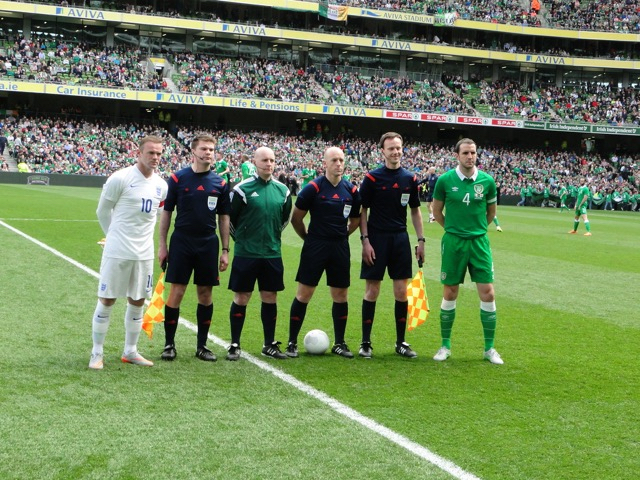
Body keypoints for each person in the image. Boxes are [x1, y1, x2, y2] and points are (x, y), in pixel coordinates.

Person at [89, 135, 168, 369]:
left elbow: (157, 215)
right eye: (151, 153)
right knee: (107, 299)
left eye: (159, 154)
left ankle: (130, 351)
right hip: (118, 251)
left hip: (144, 253)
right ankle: (96, 353)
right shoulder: (120, 178)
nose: (155, 158)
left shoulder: (161, 185)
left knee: (138, 300)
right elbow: (103, 212)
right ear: (139, 153)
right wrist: (112, 236)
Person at [158, 133, 231, 362]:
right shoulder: (178, 179)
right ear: (193, 151)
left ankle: (202, 346)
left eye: (211, 149)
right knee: (177, 291)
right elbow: (167, 213)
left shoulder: (220, 183)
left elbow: (224, 218)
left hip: (208, 243)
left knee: (205, 293)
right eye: (204, 149)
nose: (208, 152)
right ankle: (169, 344)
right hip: (182, 241)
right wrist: (162, 245)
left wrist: (225, 250)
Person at [431, 138, 503, 365]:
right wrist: (454, 230)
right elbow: (436, 211)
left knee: (488, 292)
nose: (470, 156)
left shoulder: (488, 181)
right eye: (465, 153)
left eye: (473, 153)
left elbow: (491, 213)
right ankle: (445, 345)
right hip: (453, 242)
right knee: (450, 292)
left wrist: (476, 230)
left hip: (479, 242)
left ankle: (489, 348)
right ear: (457, 155)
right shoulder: (444, 180)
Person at [285, 147, 362, 359]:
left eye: (341, 160)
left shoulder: (352, 190)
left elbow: (356, 219)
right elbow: (296, 218)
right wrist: (308, 239)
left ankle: (339, 343)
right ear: (325, 163)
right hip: (315, 245)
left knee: (341, 295)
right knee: (304, 294)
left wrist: (344, 233)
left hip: (339, 246)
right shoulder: (313, 188)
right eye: (334, 160)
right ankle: (291, 342)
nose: (339, 164)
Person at [358, 132, 425, 359]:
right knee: (372, 290)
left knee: (401, 292)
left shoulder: (410, 179)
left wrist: (421, 240)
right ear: (382, 151)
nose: (395, 152)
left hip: (400, 239)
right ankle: (366, 342)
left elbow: (415, 211)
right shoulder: (372, 178)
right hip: (376, 239)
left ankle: (400, 342)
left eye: (398, 148)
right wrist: (365, 240)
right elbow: (362, 210)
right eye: (391, 148)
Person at [225, 146, 293, 361]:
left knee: (270, 297)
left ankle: (269, 344)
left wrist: (271, 239)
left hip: (272, 254)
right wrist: (244, 241)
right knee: (242, 297)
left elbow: (283, 220)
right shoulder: (241, 189)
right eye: (264, 160)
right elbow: (230, 221)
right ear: (254, 161)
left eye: (272, 160)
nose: (269, 164)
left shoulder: (283, 191)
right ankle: (235, 344)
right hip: (246, 253)